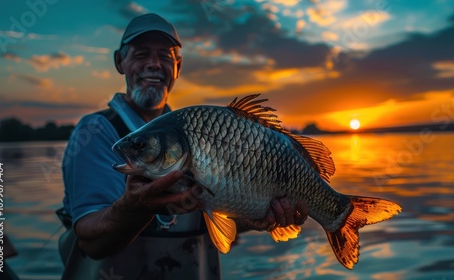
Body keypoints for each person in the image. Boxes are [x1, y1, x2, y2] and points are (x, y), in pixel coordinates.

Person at [58, 13, 308, 280]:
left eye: (165, 57)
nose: (154, 64)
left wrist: (258, 216)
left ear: (177, 67)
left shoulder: (199, 131)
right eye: (141, 54)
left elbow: (222, 214)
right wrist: (135, 208)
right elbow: (91, 241)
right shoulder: (95, 131)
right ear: (120, 62)